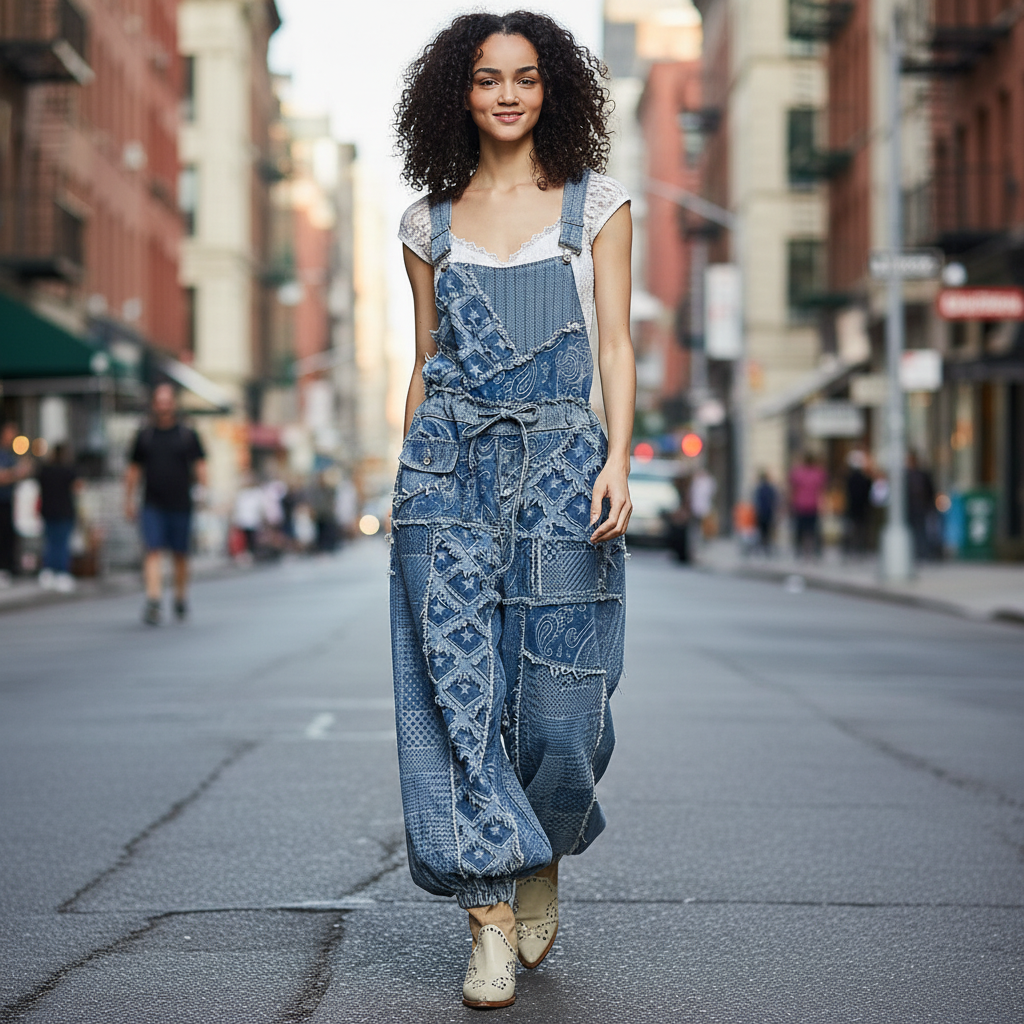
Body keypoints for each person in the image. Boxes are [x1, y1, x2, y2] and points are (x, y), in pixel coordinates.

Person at [391, 13, 634, 1009]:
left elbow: (613, 345)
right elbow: (421, 361)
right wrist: (403, 475)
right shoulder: (426, 223)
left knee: (565, 707)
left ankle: (541, 845)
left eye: (525, 79)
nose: (505, 95)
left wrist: (622, 453)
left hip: (567, 467)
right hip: (445, 473)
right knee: (458, 700)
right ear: (459, 90)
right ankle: (486, 917)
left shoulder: (597, 205)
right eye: (487, 78)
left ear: (551, 91)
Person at [124, 384, 207, 625]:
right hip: (152, 503)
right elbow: (133, 470)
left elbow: (200, 465)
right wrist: (128, 500)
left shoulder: (187, 434)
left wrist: (203, 491)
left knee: (180, 554)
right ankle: (154, 600)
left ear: (174, 404)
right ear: (154, 404)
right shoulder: (145, 435)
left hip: (181, 503)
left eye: (167, 401)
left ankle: (180, 597)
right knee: (153, 550)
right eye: (159, 401)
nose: (163, 406)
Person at [36, 443, 81, 592]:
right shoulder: (68, 470)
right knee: (62, 544)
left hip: (48, 511)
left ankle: (48, 571)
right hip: (64, 511)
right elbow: (78, 487)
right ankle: (62, 573)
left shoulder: (44, 470)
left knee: (50, 542)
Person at [0, 422, 31, 585]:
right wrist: (14, 472)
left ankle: (8, 567)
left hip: (8, 500)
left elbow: (17, 475)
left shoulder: (10, 454)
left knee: (8, 535)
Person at [789, 451, 827, 558]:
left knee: (800, 530)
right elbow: (822, 489)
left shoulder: (797, 473)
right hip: (813, 505)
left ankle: (799, 551)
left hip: (800, 504)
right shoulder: (818, 473)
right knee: (813, 530)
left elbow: (792, 488)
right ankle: (815, 551)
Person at [906, 450, 936, 560]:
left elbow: (930, 490)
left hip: (921, 508)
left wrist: (930, 505)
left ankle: (923, 553)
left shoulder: (922, 475)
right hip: (911, 509)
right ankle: (914, 553)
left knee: (922, 531)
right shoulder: (905, 475)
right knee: (913, 531)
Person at [844, 449, 872, 557]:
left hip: (854, 507)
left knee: (854, 528)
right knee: (860, 529)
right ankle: (860, 547)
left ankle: (854, 548)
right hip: (861, 507)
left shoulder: (850, 478)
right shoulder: (864, 479)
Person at [753, 470, 778, 555]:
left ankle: (763, 547)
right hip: (768, 512)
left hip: (761, 512)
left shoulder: (759, 488)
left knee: (762, 531)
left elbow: (756, 501)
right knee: (767, 531)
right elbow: (774, 500)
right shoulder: (770, 488)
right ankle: (766, 547)